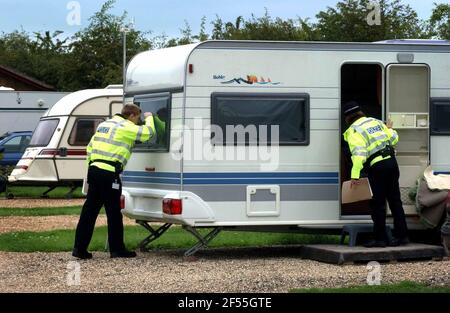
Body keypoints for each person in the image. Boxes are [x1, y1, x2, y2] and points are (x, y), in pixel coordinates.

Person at [73, 104, 155, 259]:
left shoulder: (105, 125)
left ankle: (79, 249)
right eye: (138, 118)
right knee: (114, 213)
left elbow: (89, 148)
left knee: (89, 212)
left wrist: (91, 169)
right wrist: (150, 118)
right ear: (131, 115)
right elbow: (147, 134)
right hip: (109, 173)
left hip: (94, 170)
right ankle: (117, 249)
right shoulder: (125, 126)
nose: (138, 122)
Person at [342, 101, 409, 248]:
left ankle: (380, 239)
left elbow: (359, 154)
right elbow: (394, 139)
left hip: (378, 167)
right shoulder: (376, 122)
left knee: (377, 204)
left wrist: (354, 175)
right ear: (360, 112)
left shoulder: (354, 131)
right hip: (392, 163)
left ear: (347, 118)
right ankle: (402, 237)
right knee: (395, 201)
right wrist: (390, 129)